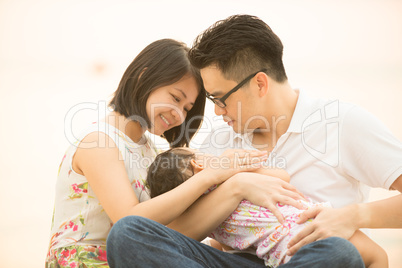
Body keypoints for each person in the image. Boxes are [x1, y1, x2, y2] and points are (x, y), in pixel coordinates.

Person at [186, 13, 402, 261]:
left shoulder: (341, 123)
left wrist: (355, 216)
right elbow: (185, 235)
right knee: (136, 232)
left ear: (259, 84)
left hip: (315, 259)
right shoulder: (219, 142)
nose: (216, 110)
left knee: (337, 252)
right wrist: (235, 188)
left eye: (220, 98)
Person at [46, 38, 261, 267]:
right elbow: (129, 222)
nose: (179, 115)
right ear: (144, 77)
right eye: (175, 98)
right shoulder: (99, 142)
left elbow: (170, 231)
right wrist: (212, 175)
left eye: (187, 108)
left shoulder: (155, 150)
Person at [146, 147, 388, 268]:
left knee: (351, 254)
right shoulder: (232, 179)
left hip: (284, 253)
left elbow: (225, 246)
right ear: (199, 165)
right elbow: (282, 175)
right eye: (202, 153)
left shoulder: (211, 224)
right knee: (374, 255)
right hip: (310, 228)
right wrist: (238, 166)